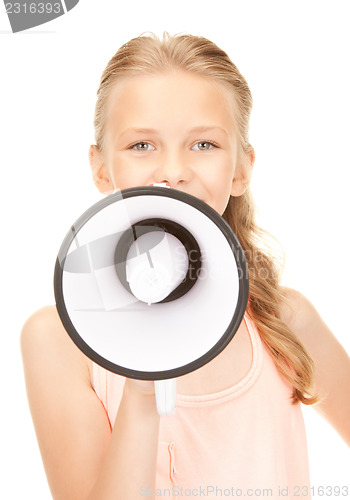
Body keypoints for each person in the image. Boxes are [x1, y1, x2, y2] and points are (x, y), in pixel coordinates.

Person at [21, 32, 350, 500]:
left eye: (203, 145)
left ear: (241, 169)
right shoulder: (58, 339)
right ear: (100, 168)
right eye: (141, 145)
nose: (173, 171)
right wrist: (141, 388)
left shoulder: (283, 319)